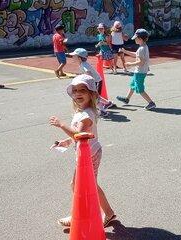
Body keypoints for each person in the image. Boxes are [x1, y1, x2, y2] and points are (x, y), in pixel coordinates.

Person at [49, 74, 116, 228]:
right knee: (84, 185)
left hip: (89, 154)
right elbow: (79, 135)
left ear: (92, 93)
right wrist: (66, 142)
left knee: (78, 185)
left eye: (83, 90)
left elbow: (78, 135)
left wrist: (61, 124)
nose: (78, 93)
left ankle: (80, 215)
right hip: (87, 152)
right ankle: (107, 212)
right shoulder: (82, 111)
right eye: (75, 90)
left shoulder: (87, 115)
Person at [116, 29, 156, 110]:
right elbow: (136, 55)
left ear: (140, 39)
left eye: (136, 38)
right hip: (140, 71)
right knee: (133, 85)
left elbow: (141, 62)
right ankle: (127, 99)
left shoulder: (142, 49)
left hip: (140, 72)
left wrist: (130, 64)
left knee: (139, 88)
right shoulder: (143, 47)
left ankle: (151, 103)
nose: (134, 39)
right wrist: (125, 51)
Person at [69, 48, 114, 117]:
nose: (72, 57)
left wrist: (88, 83)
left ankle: (103, 110)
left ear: (79, 58)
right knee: (95, 96)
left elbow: (88, 73)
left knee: (94, 97)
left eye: (74, 56)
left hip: (95, 82)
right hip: (94, 81)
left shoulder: (84, 65)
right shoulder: (82, 64)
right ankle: (107, 103)